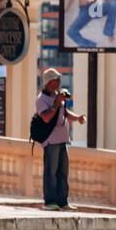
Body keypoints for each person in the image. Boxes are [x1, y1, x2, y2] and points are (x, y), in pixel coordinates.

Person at [36, 68, 85, 209]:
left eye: (59, 80)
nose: (58, 82)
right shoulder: (42, 99)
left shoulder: (58, 96)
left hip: (63, 140)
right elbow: (46, 117)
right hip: (51, 141)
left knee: (63, 172)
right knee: (51, 173)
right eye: (55, 80)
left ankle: (63, 201)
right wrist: (57, 103)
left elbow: (65, 113)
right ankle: (50, 202)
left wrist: (78, 118)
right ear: (48, 82)